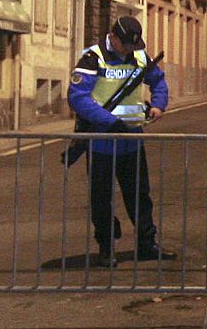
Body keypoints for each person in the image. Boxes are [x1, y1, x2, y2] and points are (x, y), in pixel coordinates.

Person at [67, 16, 174, 267]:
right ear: (113, 37)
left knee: (140, 196)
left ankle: (147, 243)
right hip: (102, 140)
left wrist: (158, 105)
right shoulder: (93, 58)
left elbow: (158, 81)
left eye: (132, 45)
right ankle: (106, 247)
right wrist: (108, 121)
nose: (128, 50)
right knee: (102, 197)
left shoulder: (139, 56)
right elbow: (78, 97)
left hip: (132, 139)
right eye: (125, 44)